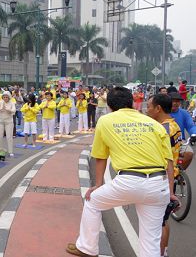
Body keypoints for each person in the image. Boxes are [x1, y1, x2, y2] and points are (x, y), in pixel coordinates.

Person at [66, 87, 174, 257]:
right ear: (132, 102)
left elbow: (100, 156)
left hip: (129, 181)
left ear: (109, 105)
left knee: (92, 201)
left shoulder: (106, 121)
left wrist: (97, 185)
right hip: (158, 185)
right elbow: (168, 161)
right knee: (150, 242)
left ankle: (87, 247)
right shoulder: (154, 124)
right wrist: (170, 191)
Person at [145, 94, 182, 257]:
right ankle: (162, 252)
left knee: (158, 223)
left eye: (149, 107)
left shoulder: (164, 129)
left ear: (158, 108)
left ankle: (160, 253)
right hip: (169, 178)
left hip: (163, 179)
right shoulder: (172, 125)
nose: (147, 110)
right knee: (162, 221)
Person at [169, 92, 196, 170]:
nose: (175, 103)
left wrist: (194, 133)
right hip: (163, 142)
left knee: (189, 153)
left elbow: (191, 125)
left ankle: (180, 173)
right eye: (172, 101)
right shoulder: (162, 112)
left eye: (177, 101)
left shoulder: (184, 113)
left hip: (180, 141)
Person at [0, 91, 16, 157]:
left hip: (9, 121)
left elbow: (14, 110)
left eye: (6, 97)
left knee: (9, 137)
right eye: (4, 97)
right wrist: (0, 109)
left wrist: (8, 110)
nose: (5, 98)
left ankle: (10, 151)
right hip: (0, 121)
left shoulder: (12, 103)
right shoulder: (1, 102)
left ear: (9, 97)